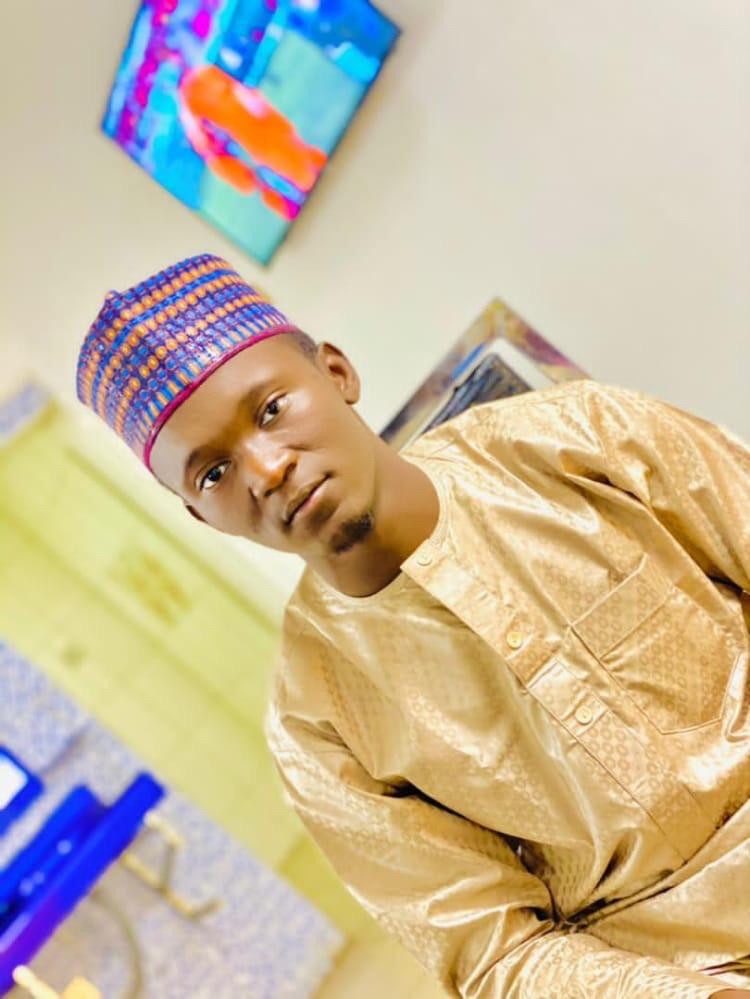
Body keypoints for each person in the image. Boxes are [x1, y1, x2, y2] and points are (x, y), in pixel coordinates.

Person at [76, 253, 750, 998]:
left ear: (337, 372)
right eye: (212, 473)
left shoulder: (575, 437)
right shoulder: (316, 722)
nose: (265, 470)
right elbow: (495, 955)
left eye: (270, 411)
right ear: (202, 516)